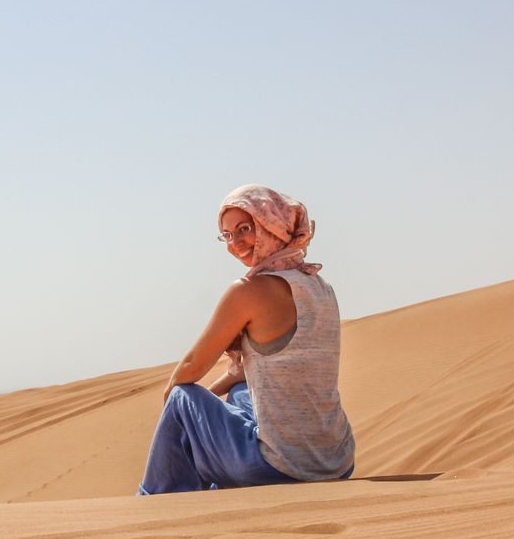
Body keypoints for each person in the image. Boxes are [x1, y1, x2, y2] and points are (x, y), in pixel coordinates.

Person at [137, 185, 356, 495]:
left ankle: (155, 500)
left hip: (278, 468)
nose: (235, 242)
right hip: (337, 462)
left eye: (245, 228)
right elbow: (247, 371)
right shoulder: (320, 286)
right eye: (226, 235)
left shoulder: (247, 291)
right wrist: (207, 405)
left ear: (271, 225)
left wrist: (181, 415)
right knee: (240, 392)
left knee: (179, 397)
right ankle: (209, 482)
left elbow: (190, 366)